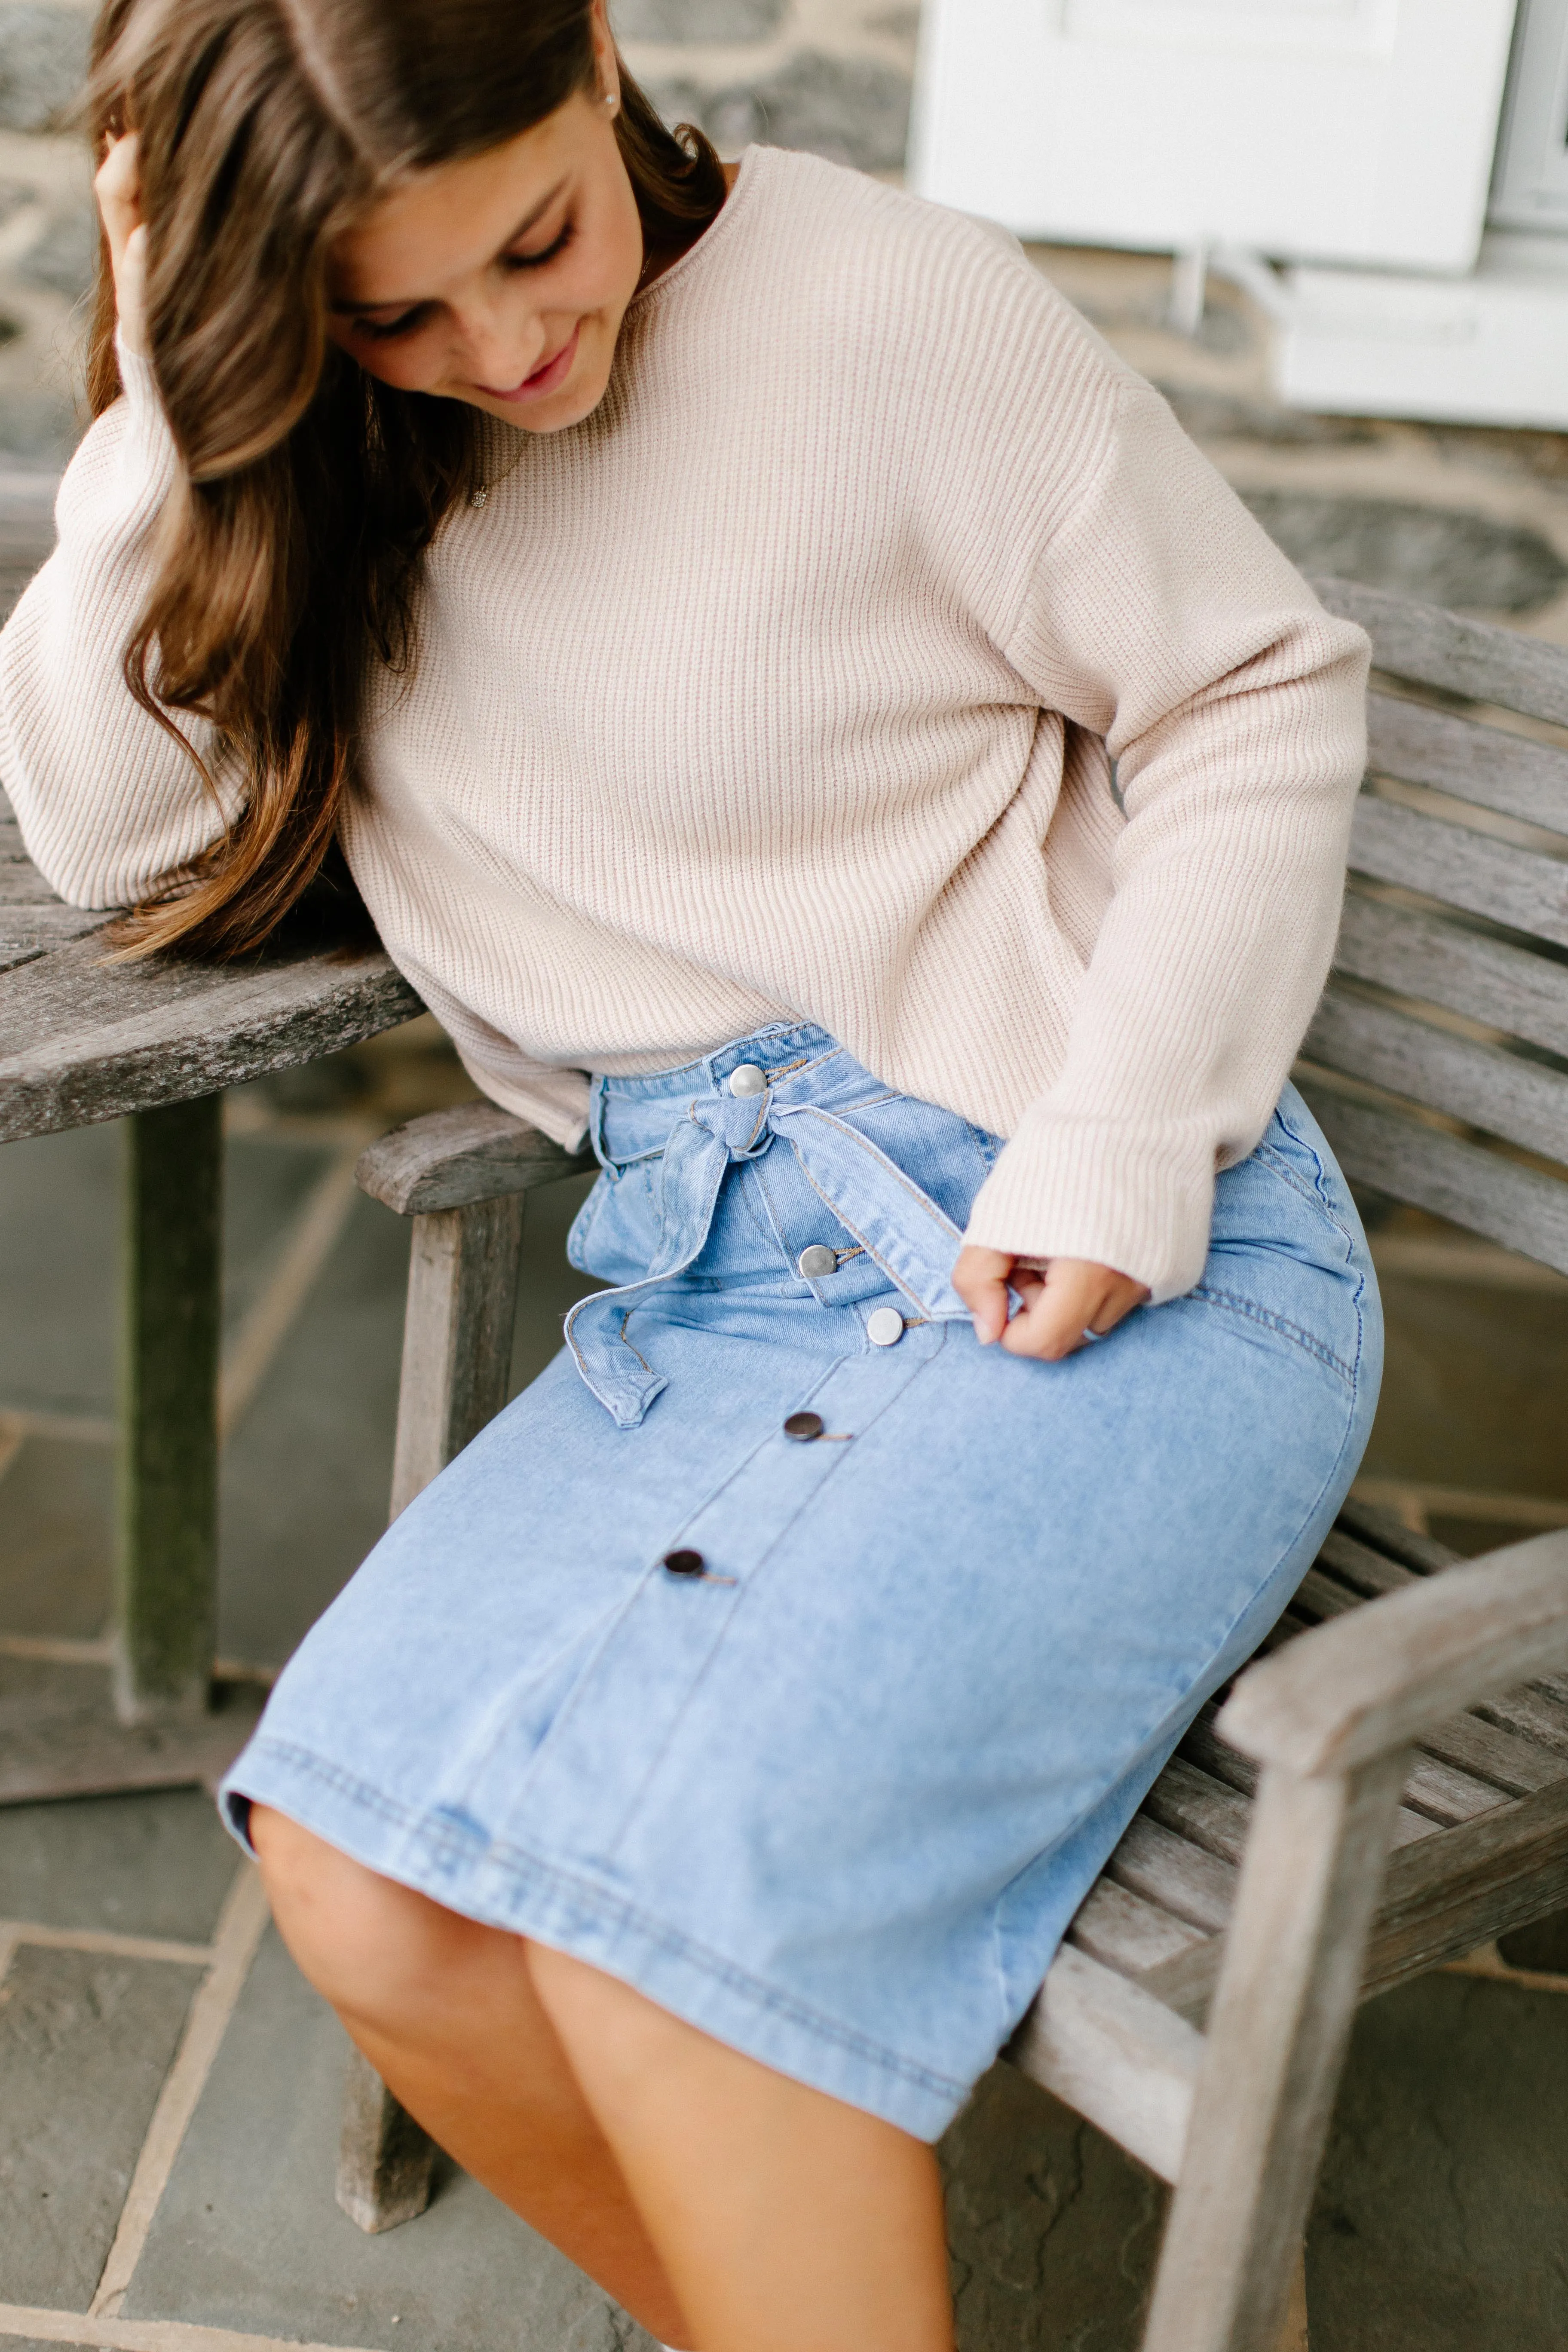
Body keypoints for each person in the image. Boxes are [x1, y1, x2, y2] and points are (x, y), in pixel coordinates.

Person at [0, 1, 1381, 2343]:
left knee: (673, 1936)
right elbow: (103, 833)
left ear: (597, 52)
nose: (514, 344)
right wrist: (165, 421)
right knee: (357, 1875)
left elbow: (1257, 686)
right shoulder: (318, 442)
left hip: (1080, 1229)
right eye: (399, 309)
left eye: (541, 237)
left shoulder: (878, 309)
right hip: (712, 1276)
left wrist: (1127, 1134)